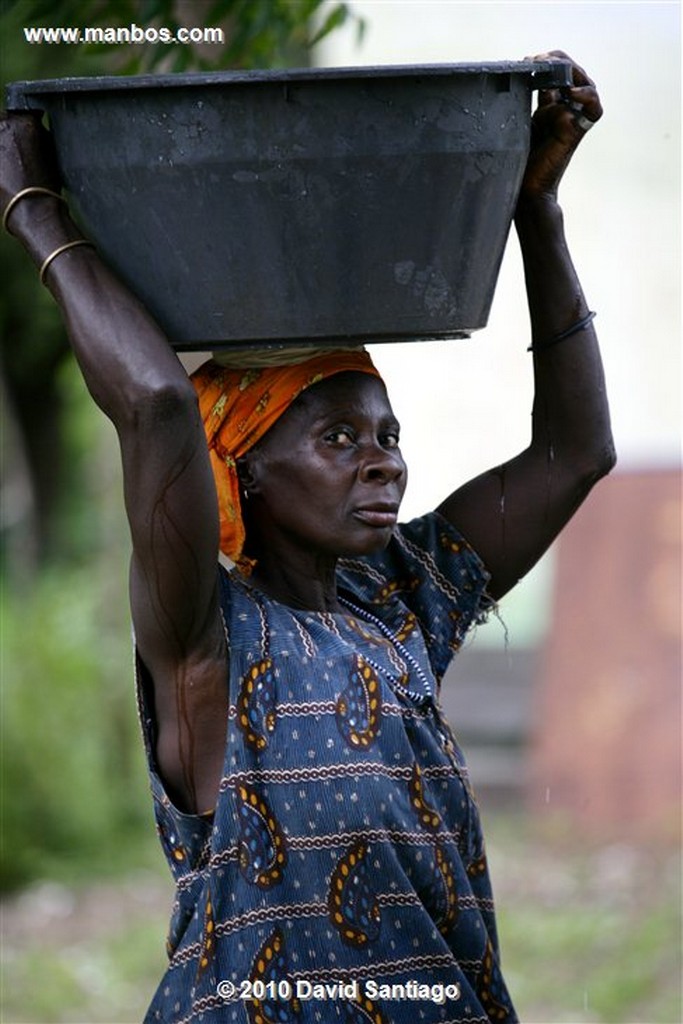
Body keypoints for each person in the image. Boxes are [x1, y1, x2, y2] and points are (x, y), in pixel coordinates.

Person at [1, 51, 614, 1024]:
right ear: (240, 468)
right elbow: (160, 401)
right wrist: (33, 208)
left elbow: (574, 451)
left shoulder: (406, 594)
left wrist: (530, 209)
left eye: (387, 437)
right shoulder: (204, 637)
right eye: (336, 439)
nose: (383, 464)